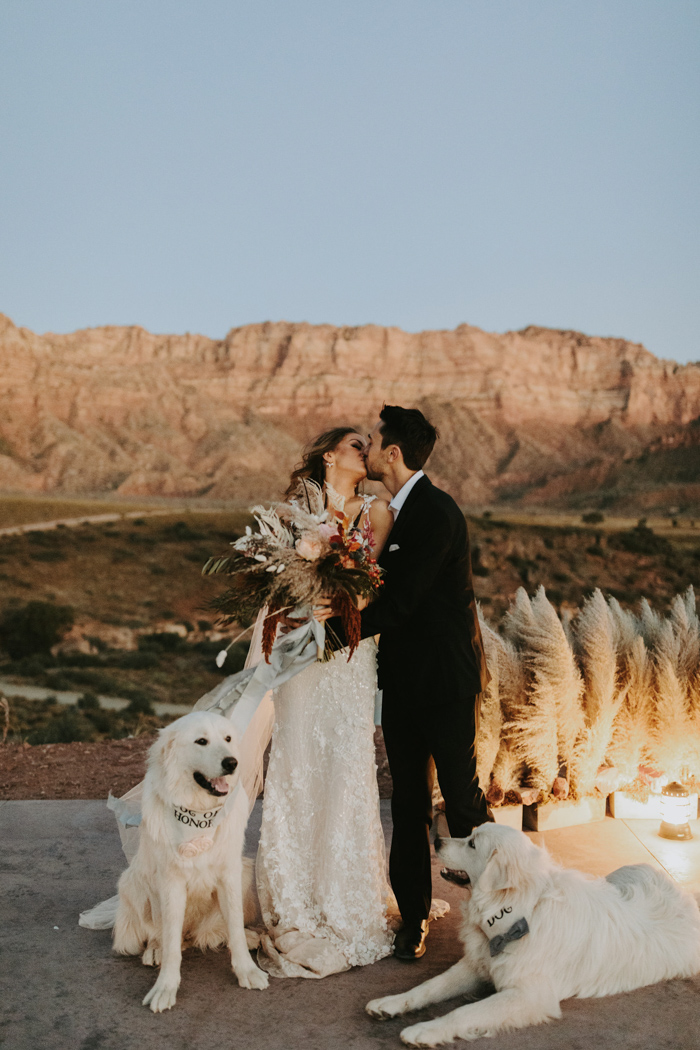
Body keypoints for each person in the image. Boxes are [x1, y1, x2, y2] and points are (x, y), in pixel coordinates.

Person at [316, 405, 492, 962]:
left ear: (393, 453)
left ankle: (508, 910)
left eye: (374, 444)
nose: (367, 451)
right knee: (409, 803)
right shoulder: (392, 512)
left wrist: (330, 636)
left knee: (462, 803)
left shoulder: (435, 512)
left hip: (445, 684)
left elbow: (404, 601)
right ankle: (412, 919)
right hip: (403, 686)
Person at [254, 426, 396, 978]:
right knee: (296, 763)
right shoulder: (297, 511)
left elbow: (375, 584)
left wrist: (339, 601)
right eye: (355, 443)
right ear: (330, 455)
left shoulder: (376, 512)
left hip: (349, 654)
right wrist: (300, 604)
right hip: (300, 656)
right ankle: (292, 894)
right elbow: (276, 582)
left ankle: (346, 893)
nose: (365, 449)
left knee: (345, 764)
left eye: (369, 444)